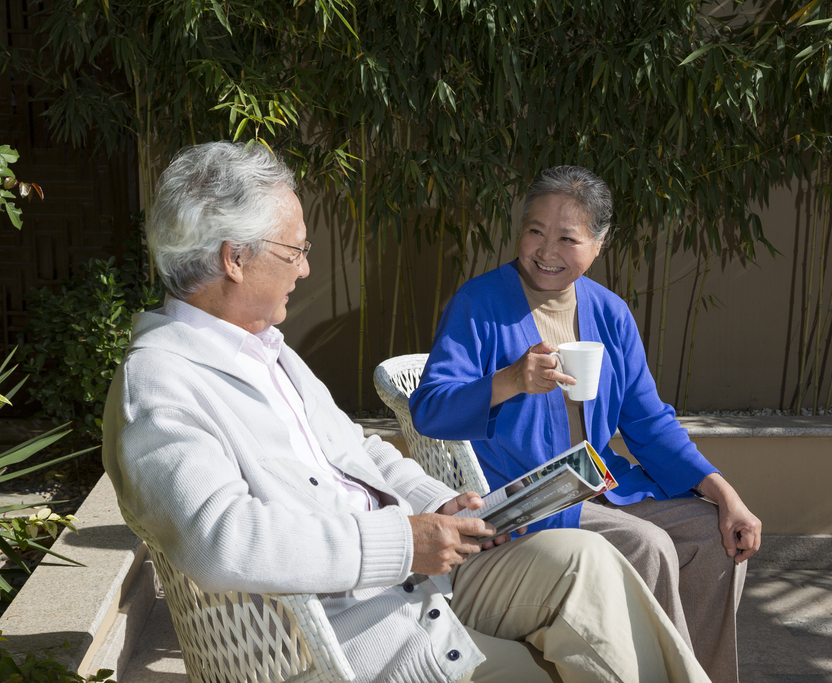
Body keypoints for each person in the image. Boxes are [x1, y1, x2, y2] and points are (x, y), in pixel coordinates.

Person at [103, 142, 714, 683]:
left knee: (587, 561)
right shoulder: (159, 383)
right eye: (296, 251)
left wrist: (435, 503)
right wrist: (403, 542)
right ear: (236, 259)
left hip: (423, 579)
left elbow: (360, 454)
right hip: (365, 627)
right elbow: (223, 540)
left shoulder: (268, 350)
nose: (308, 268)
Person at [409, 166, 762, 683]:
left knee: (715, 537)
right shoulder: (478, 304)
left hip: (600, 486)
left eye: (568, 238)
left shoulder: (610, 313)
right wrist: (510, 380)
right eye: (534, 230)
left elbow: (649, 421)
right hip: (524, 498)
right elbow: (430, 408)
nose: (546, 250)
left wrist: (725, 493)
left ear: (598, 244)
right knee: (649, 544)